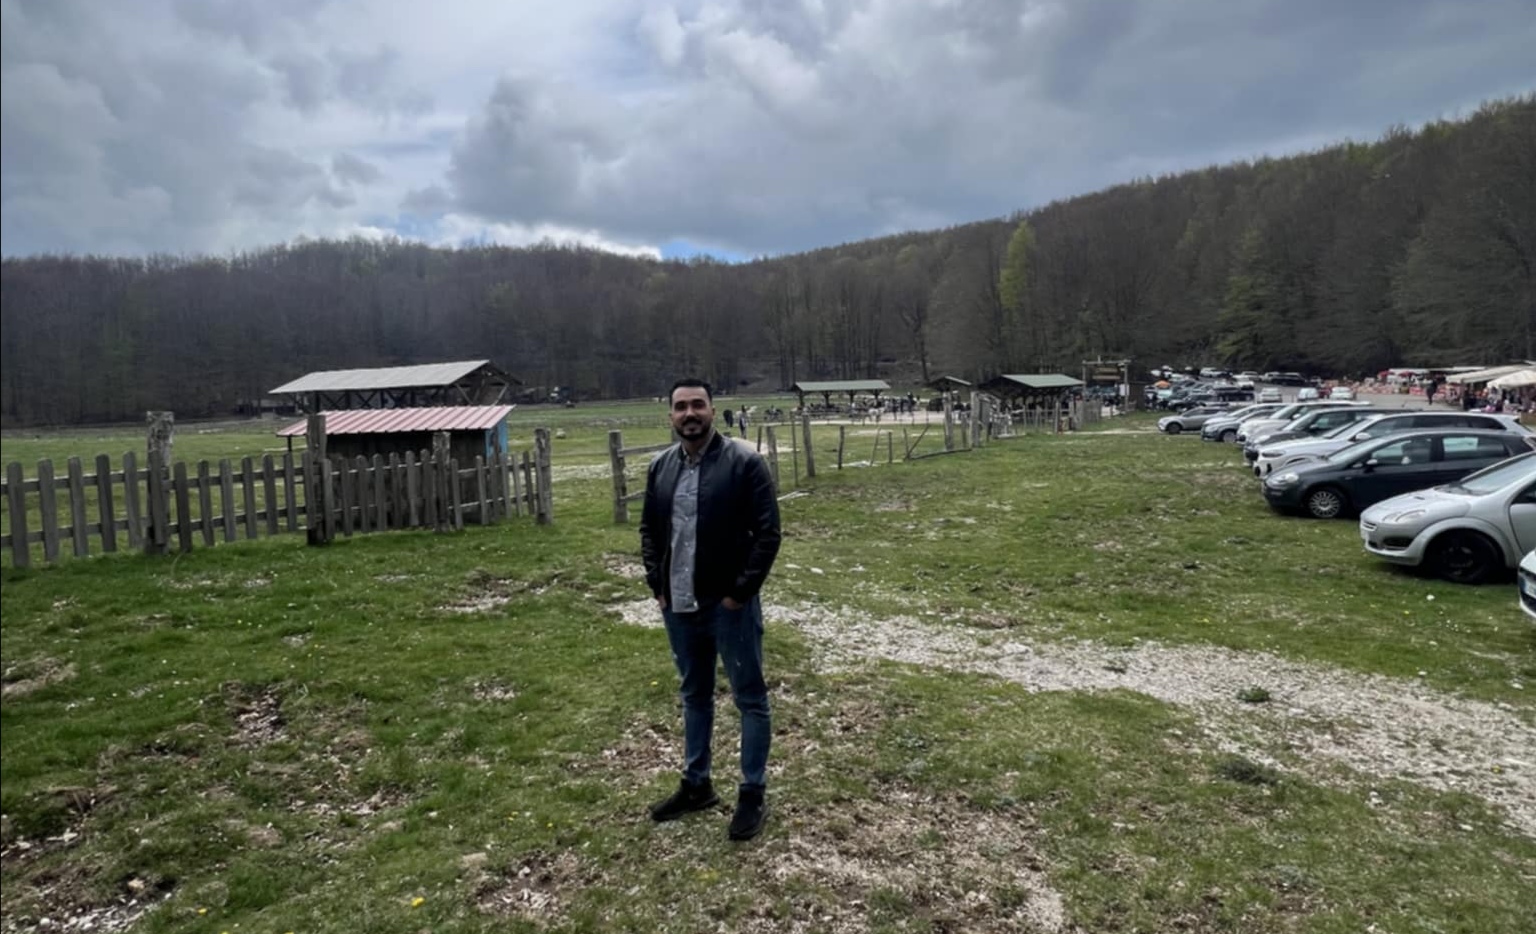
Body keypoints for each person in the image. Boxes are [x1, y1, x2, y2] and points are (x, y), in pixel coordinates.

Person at [639, 378, 782, 841]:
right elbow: (649, 530)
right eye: (680, 406)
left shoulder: (745, 463)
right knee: (694, 695)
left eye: (697, 404)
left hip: (728, 606)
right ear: (670, 415)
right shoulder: (661, 467)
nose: (689, 413)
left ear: (712, 410)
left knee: (749, 697)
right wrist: (656, 583)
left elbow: (768, 534)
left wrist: (739, 592)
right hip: (678, 604)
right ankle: (696, 785)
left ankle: (752, 793)